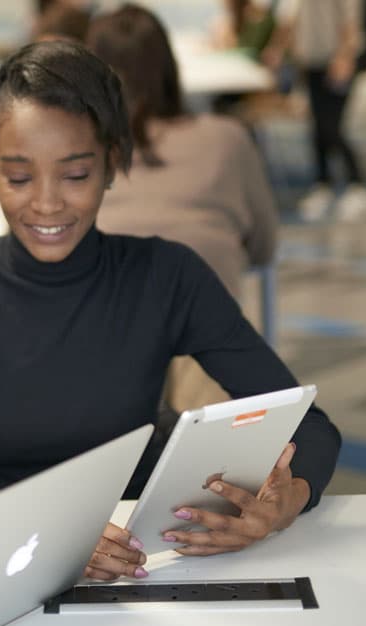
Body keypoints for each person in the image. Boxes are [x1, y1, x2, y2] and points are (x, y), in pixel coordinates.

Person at [0, 40, 341, 580]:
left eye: (75, 175)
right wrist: (18, 530)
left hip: (138, 562)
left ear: (111, 164)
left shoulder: (166, 276)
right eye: (18, 176)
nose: (48, 203)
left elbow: (310, 428)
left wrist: (283, 504)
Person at [87, 4, 279, 412]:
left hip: (104, 347)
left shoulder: (82, 151)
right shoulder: (228, 138)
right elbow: (264, 248)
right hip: (207, 345)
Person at [262, 0, 366, 222]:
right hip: (310, 60)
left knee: (331, 126)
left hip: (336, 61)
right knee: (316, 126)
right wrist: (278, 49)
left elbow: (351, 21)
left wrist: (345, 57)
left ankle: (357, 183)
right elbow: (291, 18)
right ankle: (323, 182)